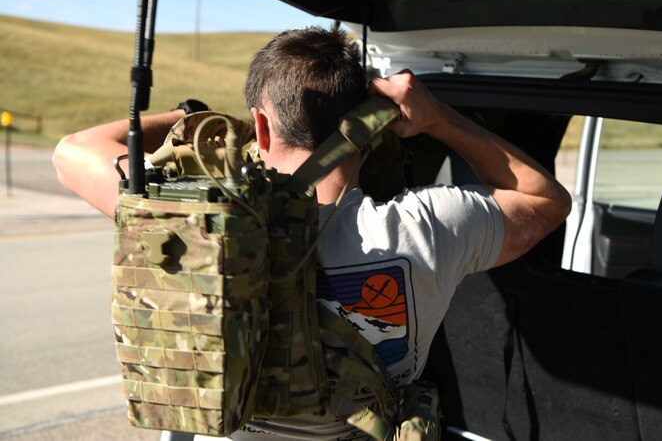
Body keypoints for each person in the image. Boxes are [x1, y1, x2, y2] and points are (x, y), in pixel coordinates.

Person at [52, 25, 571, 440]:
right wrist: (439, 119)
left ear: (259, 125)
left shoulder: (197, 221)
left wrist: (190, 116)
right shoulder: (428, 228)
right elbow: (546, 202)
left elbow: (71, 151)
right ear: (370, 126)